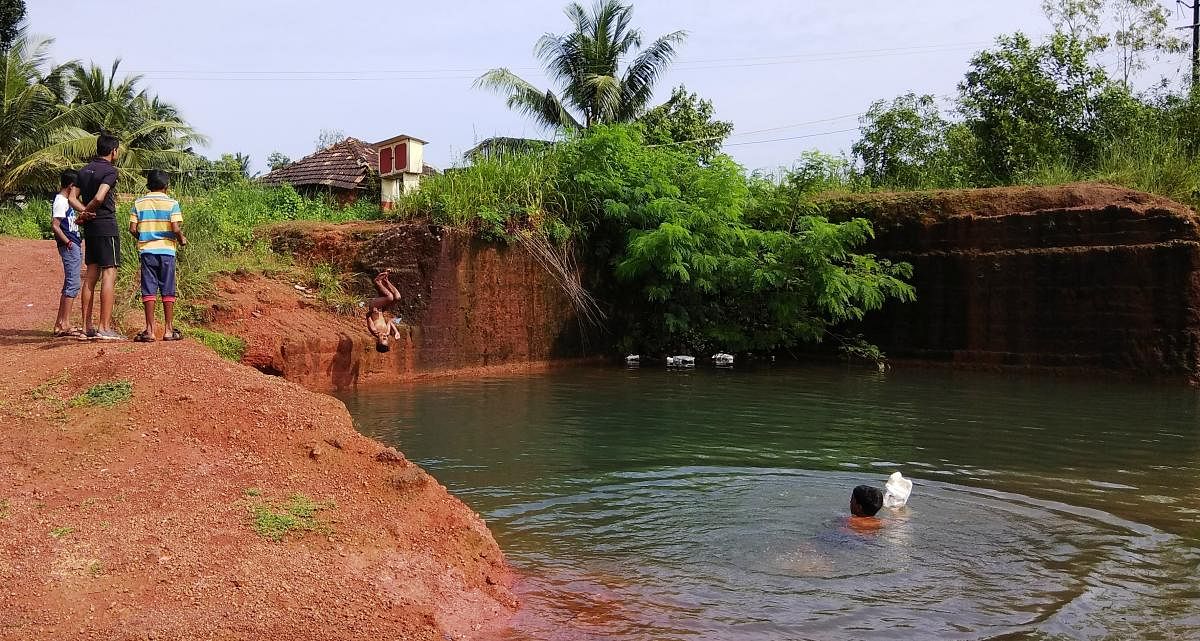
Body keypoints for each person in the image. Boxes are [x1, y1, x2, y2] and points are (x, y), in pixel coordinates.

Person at [69, 133, 123, 341]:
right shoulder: (110, 171)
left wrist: (83, 213)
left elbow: (72, 197)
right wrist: (88, 211)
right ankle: (104, 326)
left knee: (91, 273)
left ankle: (86, 326)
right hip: (106, 225)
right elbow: (100, 197)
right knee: (109, 273)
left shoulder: (84, 170)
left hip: (90, 228)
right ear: (113, 151)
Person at [129, 169, 187, 342]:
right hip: (167, 251)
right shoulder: (172, 203)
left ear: (148, 185)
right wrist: (181, 238)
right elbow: (175, 227)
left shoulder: (139, 203)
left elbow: (132, 229)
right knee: (167, 288)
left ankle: (150, 329)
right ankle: (169, 330)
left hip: (147, 251)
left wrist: (144, 238)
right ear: (166, 186)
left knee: (149, 288)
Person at [51, 169, 83, 337]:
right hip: (70, 246)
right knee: (73, 283)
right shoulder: (61, 201)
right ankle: (65, 323)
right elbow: (55, 225)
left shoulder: (65, 202)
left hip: (73, 244)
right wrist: (68, 241)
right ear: (71, 186)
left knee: (69, 284)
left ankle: (59, 323)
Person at [367, 270, 404, 352]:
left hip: (374, 306)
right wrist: (396, 332)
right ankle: (386, 281)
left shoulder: (373, 330)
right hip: (382, 309)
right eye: (386, 339)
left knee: (390, 297)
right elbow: (390, 322)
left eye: (383, 339)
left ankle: (377, 282)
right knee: (397, 297)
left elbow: (367, 316)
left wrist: (372, 311)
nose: (385, 337)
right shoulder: (387, 333)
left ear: (377, 341)